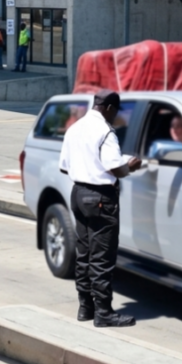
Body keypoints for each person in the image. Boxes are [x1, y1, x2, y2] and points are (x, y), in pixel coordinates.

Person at [59, 89, 143, 327]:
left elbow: (64, 167)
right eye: (115, 111)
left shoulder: (74, 128)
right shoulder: (106, 131)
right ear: (108, 108)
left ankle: (85, 307)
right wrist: (131, 166)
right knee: (102, 257)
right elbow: (116, 168)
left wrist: (88, 167)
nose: (115, 116)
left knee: (84, 254)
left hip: (78, 194)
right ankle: (104, 313)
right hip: (100, 197)